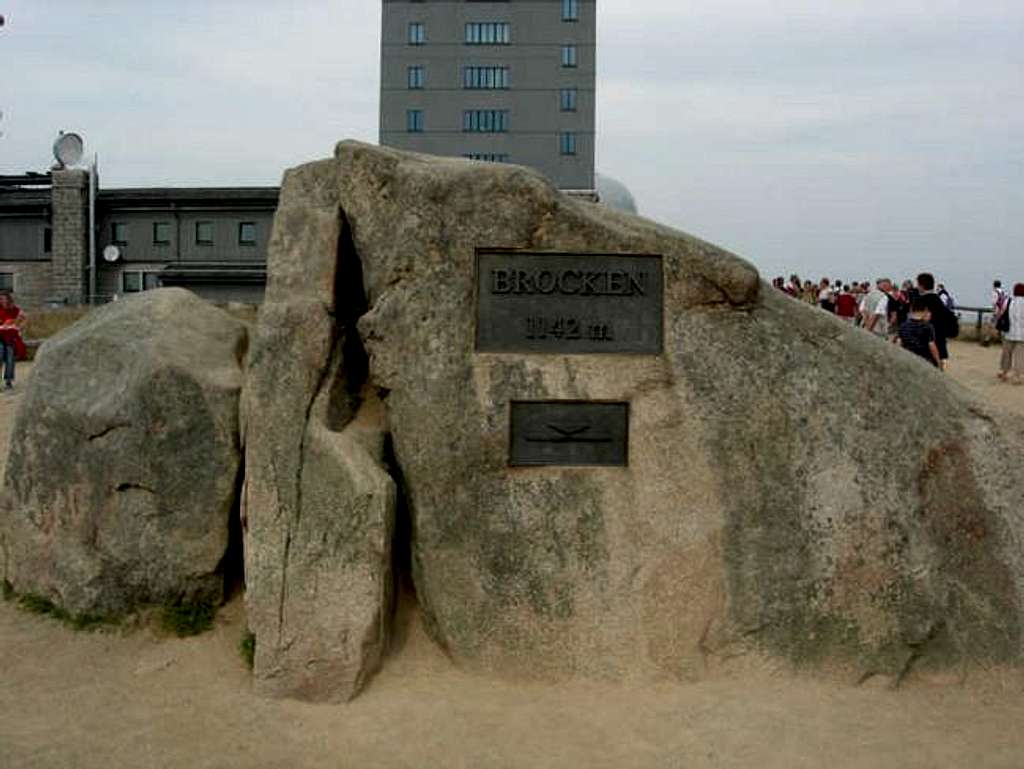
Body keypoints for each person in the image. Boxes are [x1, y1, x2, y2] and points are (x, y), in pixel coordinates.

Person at [916, 272, 951, 369]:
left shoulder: (921, 300)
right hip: (939, 338)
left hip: (924, 341)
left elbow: (916, 321)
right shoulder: (938, 300)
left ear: (922, 286)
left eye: (918, 284)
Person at [898, 295, 941, 368]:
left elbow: (899, 342)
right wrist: (938, 361)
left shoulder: (903, 325)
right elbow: (931, 345)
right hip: (923, 359)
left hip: (907, 358)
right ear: (925, 309)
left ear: (911, 309)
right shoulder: (928, 326)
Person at [997, 282, 1024, 384]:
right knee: (1020, 355)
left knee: (1006, 354)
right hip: (1022, 334)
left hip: (1009, 332)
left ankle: (1004, 372)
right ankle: (1018, 376)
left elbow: (1001, 313)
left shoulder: (1008, 301)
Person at [0, 290, 26, 390]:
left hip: (10, 338)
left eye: (3, 298)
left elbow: (23, 319)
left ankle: (8, 381)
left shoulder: (14, 310)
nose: (1, 300)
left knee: (10, 359)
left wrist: (19, 327)